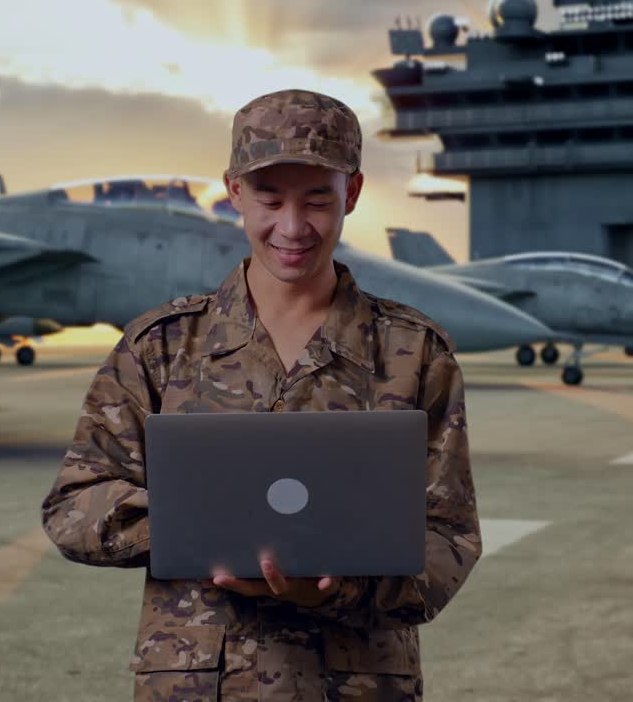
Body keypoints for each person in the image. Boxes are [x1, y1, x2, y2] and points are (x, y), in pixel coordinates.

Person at [41, 88, 481, 701]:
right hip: (197, 685)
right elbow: (72, 505)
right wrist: (197, 528)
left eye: (318, 200)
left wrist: (339, 585)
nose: (293, 228)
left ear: (352, 194)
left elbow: (448, 534)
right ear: (234, 193)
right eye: (270, 200)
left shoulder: (413, 354)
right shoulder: (161, 348)